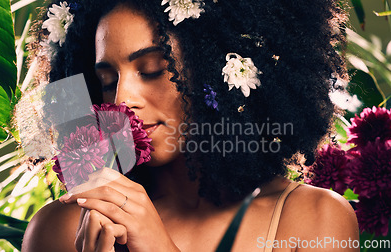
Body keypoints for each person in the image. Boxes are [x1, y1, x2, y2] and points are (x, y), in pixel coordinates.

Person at [21, 0, 359, 251]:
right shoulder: (61, 229)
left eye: (152, 69)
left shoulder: (313, 219)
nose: (122, 99)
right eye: (108, 80)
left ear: (214, 69)